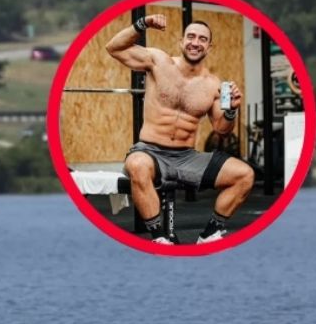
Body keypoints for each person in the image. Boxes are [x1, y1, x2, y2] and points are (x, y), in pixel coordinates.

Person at [106, 15, 255, 244]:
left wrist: (232, 111)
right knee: (136, 165)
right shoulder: (158, 61)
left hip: (186, 157)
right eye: (191, 37)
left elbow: (221, 129)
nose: (196, 42)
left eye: (202, 39)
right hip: (150, 152)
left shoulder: (213, 85)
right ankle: (159, 238)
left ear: (209, 47)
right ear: (181, 41)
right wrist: (143, 23)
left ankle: (209, 234)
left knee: (245, 175)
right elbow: (114, 48)